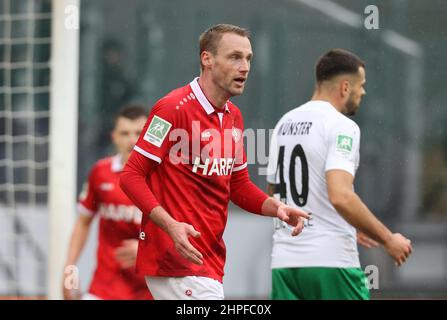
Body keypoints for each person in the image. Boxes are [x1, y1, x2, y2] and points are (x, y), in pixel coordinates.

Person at [119, 24, 309, 300]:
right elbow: (131, 175)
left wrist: (276, 207)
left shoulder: (233, 116)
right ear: (207, 59)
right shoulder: (172, 108)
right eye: (234, 57)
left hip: (209, 261)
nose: (244, 67)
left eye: (248, 59)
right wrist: (170, 225)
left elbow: (239, 186)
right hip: (175, 259)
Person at [266, 48, 413, 300]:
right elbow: (341, 196)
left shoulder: (284, 122)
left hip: (285, 264)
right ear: (345, 87)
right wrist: (388, 239)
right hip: (331, 263)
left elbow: (274, 193)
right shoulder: (342, 126)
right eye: (361, 85)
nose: (363, 92)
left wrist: (345, 222)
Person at [63, 105, 152, 300]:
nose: (131, 140)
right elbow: (83, 223)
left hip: (152, 290)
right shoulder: (100, 173)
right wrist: (69, 270)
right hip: (105, 288)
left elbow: (186, 232)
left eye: (138, 133)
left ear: (148, 137)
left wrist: (149, 249)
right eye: (125, 133)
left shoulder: (164, 178)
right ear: (114, 137)